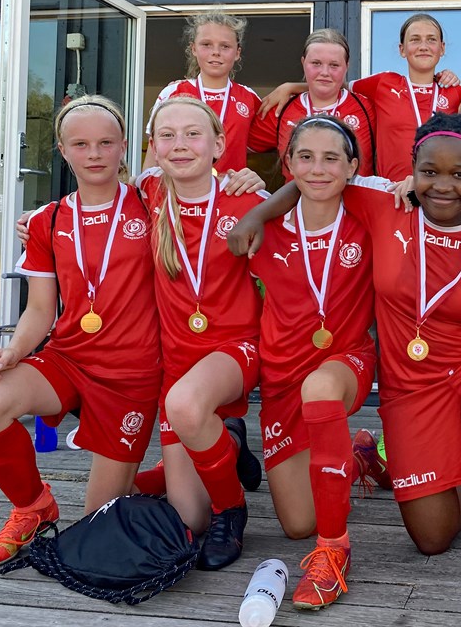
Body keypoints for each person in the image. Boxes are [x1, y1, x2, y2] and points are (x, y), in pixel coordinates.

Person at [230, 112, 461, 616]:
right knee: (432, 539)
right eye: (430, 171)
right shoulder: (383, 202)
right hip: (412, 385)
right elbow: (313, 179)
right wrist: (258, 215)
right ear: (412, 169)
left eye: (460, 175)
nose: (442, 185)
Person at [0, 96, 162, 569]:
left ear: (124, 147)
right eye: (81, 144)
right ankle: (32, 508)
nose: (94, 154)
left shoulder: (152, 203)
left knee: (97, 523)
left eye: (106, 143)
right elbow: (39, 308)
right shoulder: (46, 220)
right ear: (62, 150)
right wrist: (11, 353)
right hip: (69, 358)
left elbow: (206, 190)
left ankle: (167, 476)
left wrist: (245, 178)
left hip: (132, 373)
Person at [246, 115, 389, 610]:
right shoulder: (263, 225)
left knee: (321, 390)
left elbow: (442, 190)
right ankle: (361, 454)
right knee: (296, 523)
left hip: (345, 360)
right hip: (282, 376)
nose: (319, 169)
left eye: (332, 158)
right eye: (305, 157)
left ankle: (334, 550)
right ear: (287, 163)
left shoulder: (371, 212)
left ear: (353, 166)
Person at [137, 95, 265, 570]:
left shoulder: (249, 200)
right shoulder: (146, 195)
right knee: (189, 515)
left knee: (186, 405)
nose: (180, 144)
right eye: (167, 135)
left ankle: (232, 510)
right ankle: (228, 441)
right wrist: (35, 223)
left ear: (219, 144)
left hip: (236, 350)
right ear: (153, 148)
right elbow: (93, 200)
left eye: (193, 134)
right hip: (177, 361)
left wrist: (268, 185)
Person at [261, 13, 461, 181]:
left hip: (438, 190)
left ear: (442, 48)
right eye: (415, 39)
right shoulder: (383, 84)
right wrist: (292, 86)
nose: (423, 46)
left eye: (431, 40)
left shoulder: (456, 92)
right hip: (391, 194)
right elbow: (336, 82)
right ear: (402, 49)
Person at [248, 29, 376, 179]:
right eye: (316, 63)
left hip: (356, 194)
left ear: (347, 66)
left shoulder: (367, 108)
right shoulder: (281, 108)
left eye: (334, 65)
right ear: (303, 63)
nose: (325, 72)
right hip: (298, 195)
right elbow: (236, 149)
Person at [145, 9, 261, 174]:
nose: (216, 52)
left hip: (230, 188)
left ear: (237, 53)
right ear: (193, 48)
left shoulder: (249, 97)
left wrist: (290, 87)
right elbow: (153, 156)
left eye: (225, 46)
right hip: (180, 188)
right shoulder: (173, 92)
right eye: (206, 44)